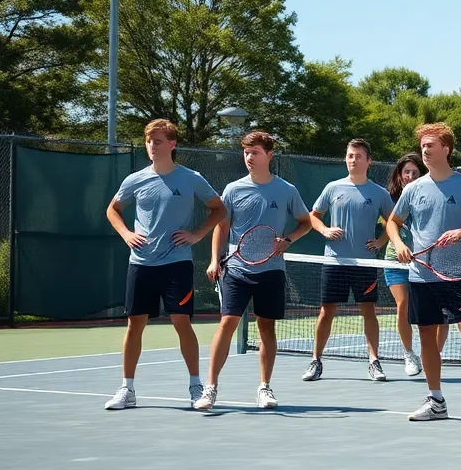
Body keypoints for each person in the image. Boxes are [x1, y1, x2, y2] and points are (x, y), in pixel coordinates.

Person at [103, 119, 226, 410]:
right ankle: (127, 390)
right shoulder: (135, 180)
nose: (152, 146)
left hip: (176, 264)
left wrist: (197, 233)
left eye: (158, 141)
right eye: (149, 141)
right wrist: (126, 234)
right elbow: (113, 209)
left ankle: (196, 387)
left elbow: (219, 208)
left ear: (172, 144)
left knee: (181, 322)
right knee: (134, 325)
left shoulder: (191, 178)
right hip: (141, 264)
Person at [385, 123, 461, 424]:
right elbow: (392, 223)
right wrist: (398, 244)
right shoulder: (412, 189)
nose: (425, 150)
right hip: (422, 275)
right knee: (426, 337)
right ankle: (435, 400)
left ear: (446, 149)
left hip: (457, 274)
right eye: (422, 145)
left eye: (430, 145)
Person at [195, 131, 312, 411]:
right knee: (227, 324)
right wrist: (215, 259)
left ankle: (264, 387)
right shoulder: (233, 189)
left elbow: (305, 222)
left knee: (266, 328)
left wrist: (288, 241)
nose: (249, 157)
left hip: (271, 270)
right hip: (236, 269)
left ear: (269, 155)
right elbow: (221, 226)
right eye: (246, 152)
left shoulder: (287, 190)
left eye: (255, 152)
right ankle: (210, 388)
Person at [301, 138, 396, 383]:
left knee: (368, 312)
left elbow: (394, 221)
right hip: (334, 262)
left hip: (365, 265)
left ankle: (374, 362)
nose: (353, 160)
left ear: (369, 161)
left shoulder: (379, 193)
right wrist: (324, 230)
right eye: (350, 155)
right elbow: (313, 216)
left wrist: (381, 242)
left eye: (358, 156)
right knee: (326, 312)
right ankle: (316, 361)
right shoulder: (333, 188)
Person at [383, 153, 448, 375]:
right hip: (396, 260)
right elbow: (389, 225)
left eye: (414, 172)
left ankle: (433, 355)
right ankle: (409, 354)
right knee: (403, 305)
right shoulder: (389, 199)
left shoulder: (432, 192)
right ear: (399, 176)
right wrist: (397, 244)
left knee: (440, 313)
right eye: (406, 172)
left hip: (428, 262)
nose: (410, 176)